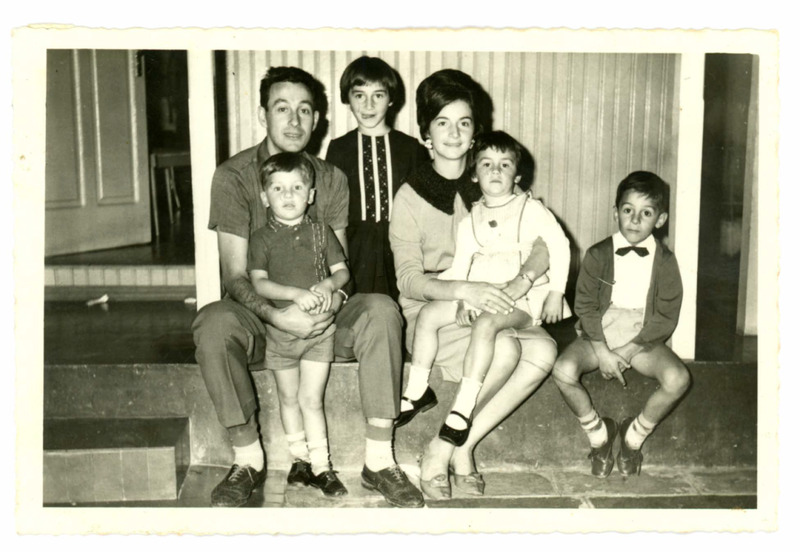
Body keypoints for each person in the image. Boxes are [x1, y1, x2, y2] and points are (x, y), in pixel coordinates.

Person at [192, 66, 423, 508]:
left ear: (317, 119)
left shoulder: (330, 178)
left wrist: (327, 307)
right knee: (212, 322)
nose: (295, 120)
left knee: (381, 309)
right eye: (282, 108)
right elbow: (235, 276)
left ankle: (379, 459)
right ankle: (248, 459)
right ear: (263, 115)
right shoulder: (233, 176)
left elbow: (340, 266)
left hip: (323, 321)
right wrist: (279, 316)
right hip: (264, 320)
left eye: (305, 110)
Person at [389, 69, 562, 499]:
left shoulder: (493, 180)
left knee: (544, 350)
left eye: (463, 123)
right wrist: (464, 291)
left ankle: (457, 444)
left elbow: (544, 244)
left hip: (498, 297)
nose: (453, 133)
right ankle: (444, 452)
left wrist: (523, 280)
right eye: (442, 122)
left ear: (474, 134)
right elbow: (408, 280)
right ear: (426, 133)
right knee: (506, 349)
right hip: (433, 308)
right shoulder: (409, 195)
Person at [397, 131, 571, 447]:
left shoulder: (531, 209)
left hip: (520, 300)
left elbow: (559, 245)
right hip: (482, 291)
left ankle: (464, 405)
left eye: (505, 164)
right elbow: (462, 263)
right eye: (486, 164)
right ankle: (418, 389)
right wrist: (463, 299)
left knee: (486, 324)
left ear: (518, 175)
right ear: (474, 175)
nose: (495, 170)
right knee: (429, 315)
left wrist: (557, 291)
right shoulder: (472, 217)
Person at [552, 171, 691, 478]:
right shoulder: (598, 254)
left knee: (678, 378)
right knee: (562, 370)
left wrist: (628, 350)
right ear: (616, 212)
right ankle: (599, 436)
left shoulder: (665, 260)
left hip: (641, 335)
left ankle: (633, 438)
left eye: (647, 213)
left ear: (660, 219)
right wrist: (602, 351)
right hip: (599, 330)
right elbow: (585, 305)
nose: (635, 220)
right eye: (628, 210)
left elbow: (666, 314)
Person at [247, 152, 350, 497]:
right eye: (278, 188)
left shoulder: (321, 232)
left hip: (319, 333)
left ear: (311, 194)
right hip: (281, 334)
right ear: (265, 197)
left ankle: (322, 466)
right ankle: (299, 460)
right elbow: (259, 283)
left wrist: (328, 285)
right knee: (288, 398)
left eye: (296, 187)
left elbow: (342, 272)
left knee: (311, 399)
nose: (288, 195)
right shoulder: (260, 238)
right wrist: (294, 294)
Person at [325, 56, 428, 300]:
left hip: (401, 248)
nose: (368, 105)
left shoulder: (411, 148)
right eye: (359, 95)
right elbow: (331, 211)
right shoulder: (339, 149)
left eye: (378, 95)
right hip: (354, 251)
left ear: (391, 99)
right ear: (347, 99)